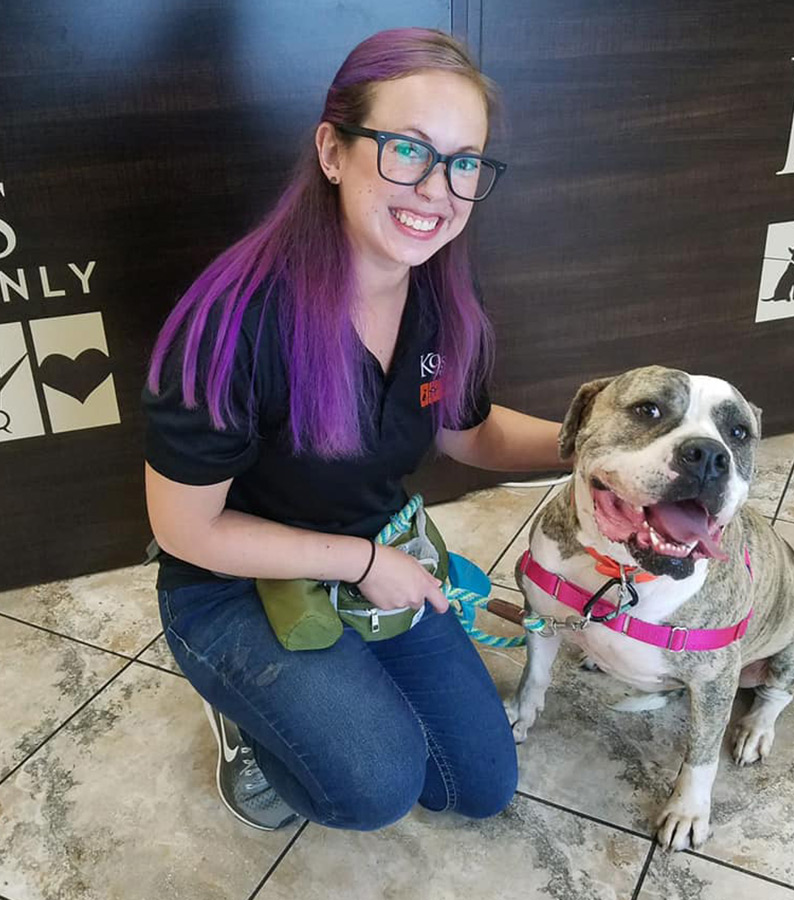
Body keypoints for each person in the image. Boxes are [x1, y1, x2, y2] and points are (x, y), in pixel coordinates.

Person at [142, 27, 567, 833]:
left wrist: (606, 447)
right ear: (333, 152)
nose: (438, 190)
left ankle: (337, 677)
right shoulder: (230, 321)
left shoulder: (442, 287)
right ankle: (248, 720)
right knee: (372, 787)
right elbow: (184, 527)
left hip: (373, 558)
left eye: (464, 162)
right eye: (407, 150)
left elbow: (467, 437)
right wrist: (363, 561)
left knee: (476, 785)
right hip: (228, 583)